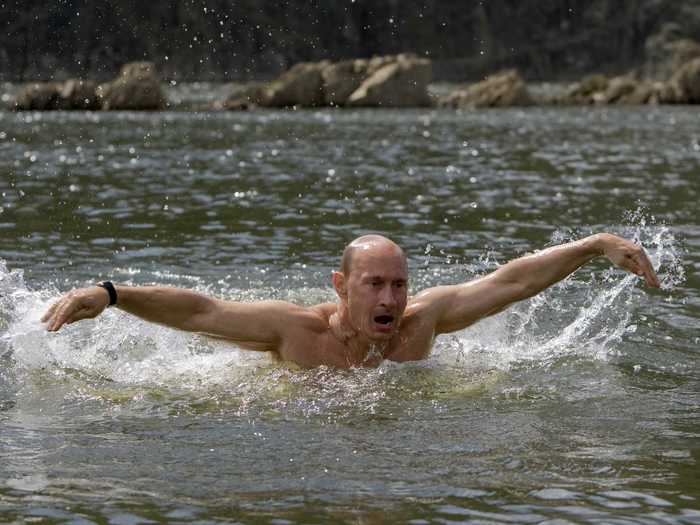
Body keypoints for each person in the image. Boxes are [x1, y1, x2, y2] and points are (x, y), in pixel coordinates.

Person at [42, 233, 660, 368]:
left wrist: (595, 246)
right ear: (340, 288)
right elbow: (202, 311)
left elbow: (509, 282)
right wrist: (112, 293)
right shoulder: (295, 332)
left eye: (398, 283)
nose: (392, 297)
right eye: (375, 284)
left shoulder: (423, 324)